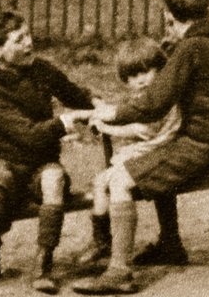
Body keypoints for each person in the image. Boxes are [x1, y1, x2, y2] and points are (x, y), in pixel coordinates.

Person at [71, 0, 209, 295]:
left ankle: (119, 271)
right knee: (151, 163)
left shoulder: (192, 48)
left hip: (201, 145)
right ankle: (170, 244)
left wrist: (112, 113)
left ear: (171, 15)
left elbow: (154, 102)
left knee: (121, 180)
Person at [0, 10, 96, 293]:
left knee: (54, 180)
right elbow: (29, 135)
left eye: (28, 35)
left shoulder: (42, 71)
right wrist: (63, 122)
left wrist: (96, 105)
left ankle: (44, 262)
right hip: (6, 162)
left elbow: (74, 95)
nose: (29, 43)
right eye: (19, 39)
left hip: (41, 164)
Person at [74, 38, 176, 269]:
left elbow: (143, 131)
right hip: (154, 148)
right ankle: (103, 238)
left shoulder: (161, 97)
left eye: (145, 72)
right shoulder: (148, 96)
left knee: (104, 182)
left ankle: (103, 241)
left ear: (160, 69)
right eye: (132, 76)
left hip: (157, 149)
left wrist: (107, 127)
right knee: (101, 181)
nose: (139, 80)